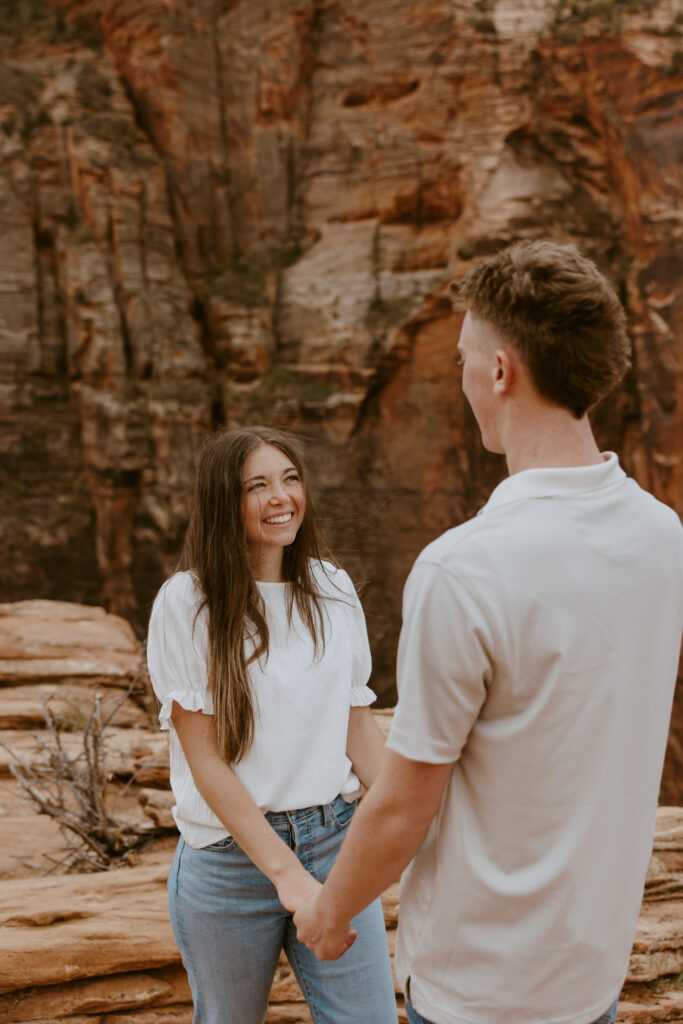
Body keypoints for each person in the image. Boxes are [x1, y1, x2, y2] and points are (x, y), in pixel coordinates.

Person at [294, 240, 683, 1024]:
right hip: (590, 976)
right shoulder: (660, 533)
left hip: (479, 991)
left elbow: (406, 804)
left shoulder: (462, 569)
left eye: (466, 357)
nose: (463, 377)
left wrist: (329, 915)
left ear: (501, 371)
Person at [146, 426, 397, 1024]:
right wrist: (285, 875)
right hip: (228, 864)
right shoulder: (187, 603)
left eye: (289, 479)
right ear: (222, 502)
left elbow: (356, 728)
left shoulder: (331, 587)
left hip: (336, 844)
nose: (280, 497)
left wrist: (411, 821)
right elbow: (205, 761)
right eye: (256, 485)